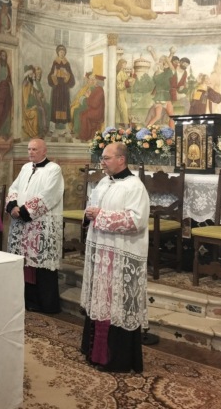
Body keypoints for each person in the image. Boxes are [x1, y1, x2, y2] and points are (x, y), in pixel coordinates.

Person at [80, 142, 150, 373]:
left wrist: (101, 215)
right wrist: (89, 213)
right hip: (101, 251)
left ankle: (115, 359)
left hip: (120, 253)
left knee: (117, 304)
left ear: (121, 159)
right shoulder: (103, 182)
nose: (102, 162)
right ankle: (95, 352)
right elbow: (92, 208)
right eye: (102, 158)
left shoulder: (134, 186)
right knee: (101, 301)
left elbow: (136, 220)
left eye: (107, 158)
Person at [6, 138, 64, 313]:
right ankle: (28, 300)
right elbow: (14, 188)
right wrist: (12, 206)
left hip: (40, 223)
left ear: (44, 151)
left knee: (41, 265)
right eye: (29, 149)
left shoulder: (53, 169)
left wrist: (24, 211)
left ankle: (46, 304)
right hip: (22, 224)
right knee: (25, 263)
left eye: (35, 149)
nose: (30, 152)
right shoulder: (25, 168)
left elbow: (49, 195)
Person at [47, 44, 76, 136]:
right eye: (60, 52)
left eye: (63, 52)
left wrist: (67, 74)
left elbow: (72, 79)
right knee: (55, 107)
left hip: (64, 89)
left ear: (65, 53)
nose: (62, 54)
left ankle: (65, 128)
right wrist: (54, 75)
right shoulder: (55, 63)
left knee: (64, 107)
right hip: (56, 89)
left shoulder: (67, 64)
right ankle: (52, 128)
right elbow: (50, 76)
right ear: (58, 53)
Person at [0, 49, 13, 139]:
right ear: (0, 57)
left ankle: (5, 132)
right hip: (0, 90)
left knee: (6, 110)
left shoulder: (7, 66)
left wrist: (10, 87)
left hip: (7, 90)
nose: (4, 57)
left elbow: (9, 78)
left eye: (5, 56)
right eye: (2, 56)